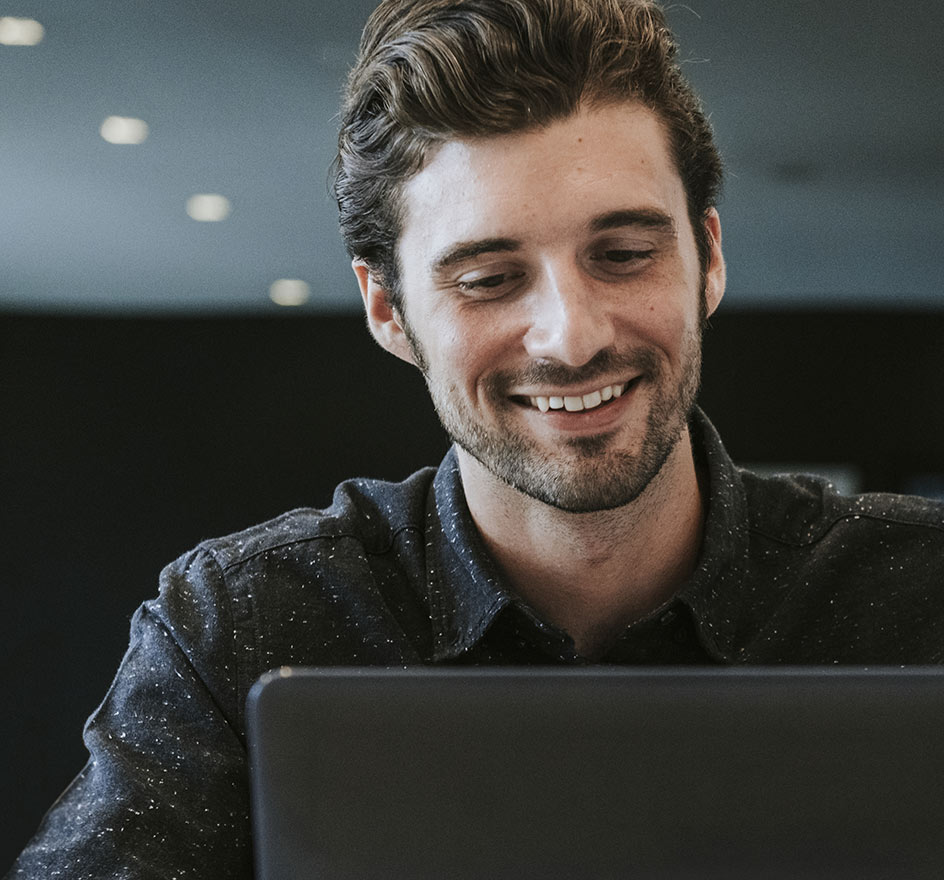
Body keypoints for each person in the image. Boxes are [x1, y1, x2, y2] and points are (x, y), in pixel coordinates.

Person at [8, 0, 944, 876]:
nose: (572, 336)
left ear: (708, 257)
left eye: (623, 255)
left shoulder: (917, 592)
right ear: (388, 309)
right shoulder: (244, 623)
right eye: (490, 278)